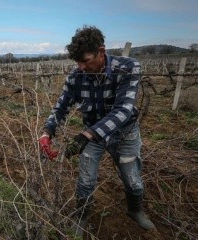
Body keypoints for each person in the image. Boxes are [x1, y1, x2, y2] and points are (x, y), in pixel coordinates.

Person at [38, 25, 155, 237]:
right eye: (78, 62)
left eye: (86, 60)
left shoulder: (128, 68)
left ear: (101, 51)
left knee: (133, 178)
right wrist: (47, 131)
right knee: (85, 179)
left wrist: (86, 135)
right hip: (91, 132)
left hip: (125, 133)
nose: (81, 67)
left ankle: (135, 210)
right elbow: (61, 107)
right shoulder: (76, 77)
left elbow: (123, 110)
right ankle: (81, 216)